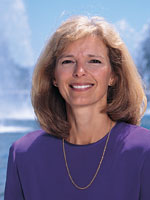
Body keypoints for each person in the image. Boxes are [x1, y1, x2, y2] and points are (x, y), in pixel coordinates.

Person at [4, 15, 150, 200]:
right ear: (54, 77)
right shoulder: (23, 154)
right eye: (68, 61)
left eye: (94, 61)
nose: (79, 71)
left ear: (113, 75)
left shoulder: (145, 150)